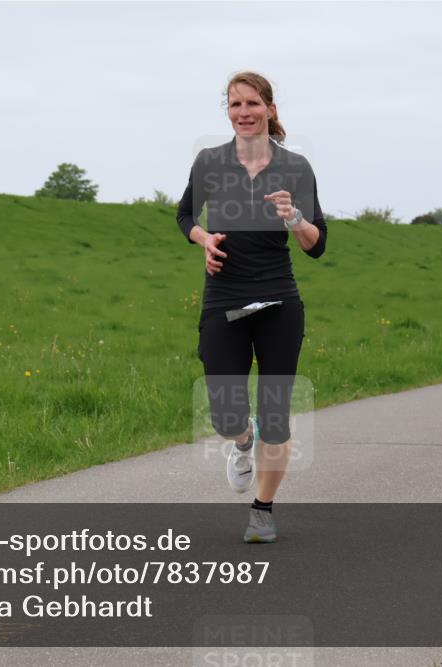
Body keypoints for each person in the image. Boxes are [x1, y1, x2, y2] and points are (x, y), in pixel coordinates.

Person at [176, 71, 327, 543]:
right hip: (225, 295)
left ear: (270, 109)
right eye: (235, 104)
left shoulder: (295, 168)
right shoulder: (210, 161)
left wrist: (295, 218)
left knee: (277, 414)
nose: (244, 112)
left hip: (279, 297)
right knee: (224, 410)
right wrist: (203, 239)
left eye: (252, 103)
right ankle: (243, 440)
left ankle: (262, 510)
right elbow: (184, 215)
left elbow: (316, 245)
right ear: (229, 111)